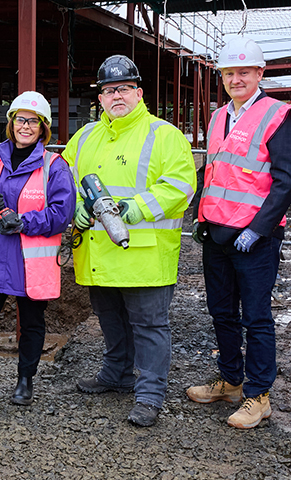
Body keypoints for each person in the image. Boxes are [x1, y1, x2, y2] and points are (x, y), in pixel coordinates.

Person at [62, 55, 196, 427]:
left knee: (149, 326)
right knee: (110, 318)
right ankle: (116, 373)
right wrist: (75, 207)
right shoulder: (85, 136)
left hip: (145, 255)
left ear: (138, 93)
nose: (116, 95)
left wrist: (135, 209)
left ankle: (150, 394)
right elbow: (64, 179)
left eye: (123, 88)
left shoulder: (163, 135)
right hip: (99, 253)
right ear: (100, 99)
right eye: (108, 90)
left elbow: (181, 185)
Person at [187, 36, 291, 429]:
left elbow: (287, 181)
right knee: (221, 312)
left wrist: (258, 229)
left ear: (259, 73)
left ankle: (259, 395)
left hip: (254, 237)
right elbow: (215, 171)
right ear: (222, 77)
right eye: (230, 73)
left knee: (256, 316)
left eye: (244, 72)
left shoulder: (278, 115)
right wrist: (201, 216)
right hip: (217, 232)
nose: (236, 79)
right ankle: (231, 381)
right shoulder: (219, 117)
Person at [0, 91, 73, 409]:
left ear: (43, 127)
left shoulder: (54, 166)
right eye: (20, 119)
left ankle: (25, 381)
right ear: (11, 123)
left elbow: (61, 214)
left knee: (32, 324)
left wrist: (24, 222)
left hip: (29, 260)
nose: (25, 126)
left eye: (32, 121)